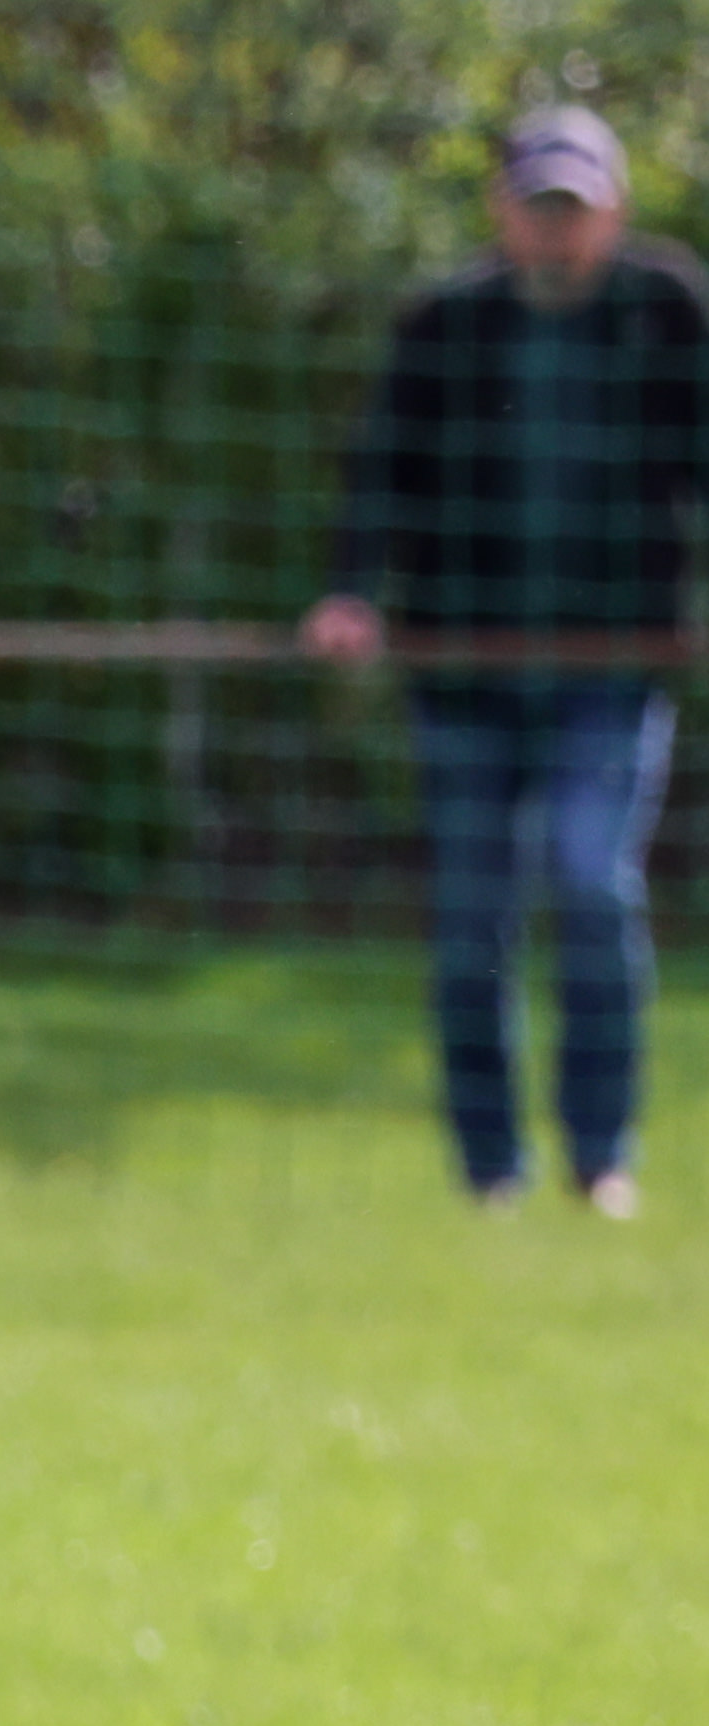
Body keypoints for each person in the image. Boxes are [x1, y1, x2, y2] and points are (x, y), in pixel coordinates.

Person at [308, 103, 709, 1221]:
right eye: (537, 206)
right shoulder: (444, 319)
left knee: (590, 883)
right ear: (501, 211)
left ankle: (600, 1155)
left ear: (613, 212)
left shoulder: (667, 308)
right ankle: (490, 1171)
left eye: (573, 208)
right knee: (470, 921)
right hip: (463, 669)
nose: (554, 227)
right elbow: (379, 465)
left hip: (610, 666)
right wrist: (348, 591)